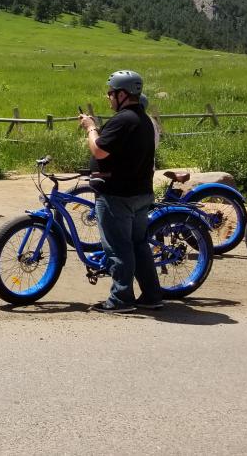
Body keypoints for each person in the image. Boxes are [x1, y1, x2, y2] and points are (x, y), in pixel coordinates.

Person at [79, 70, 163, 314]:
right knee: (138, 245)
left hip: (118, 194)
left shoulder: (123, 119)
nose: (108, 98)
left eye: (110, 94)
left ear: (122, 94)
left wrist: (90, 127)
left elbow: (99, 151)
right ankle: (152, 296)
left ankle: (121, 299)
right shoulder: (145, 120)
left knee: (118, 248)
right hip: (140, 193)